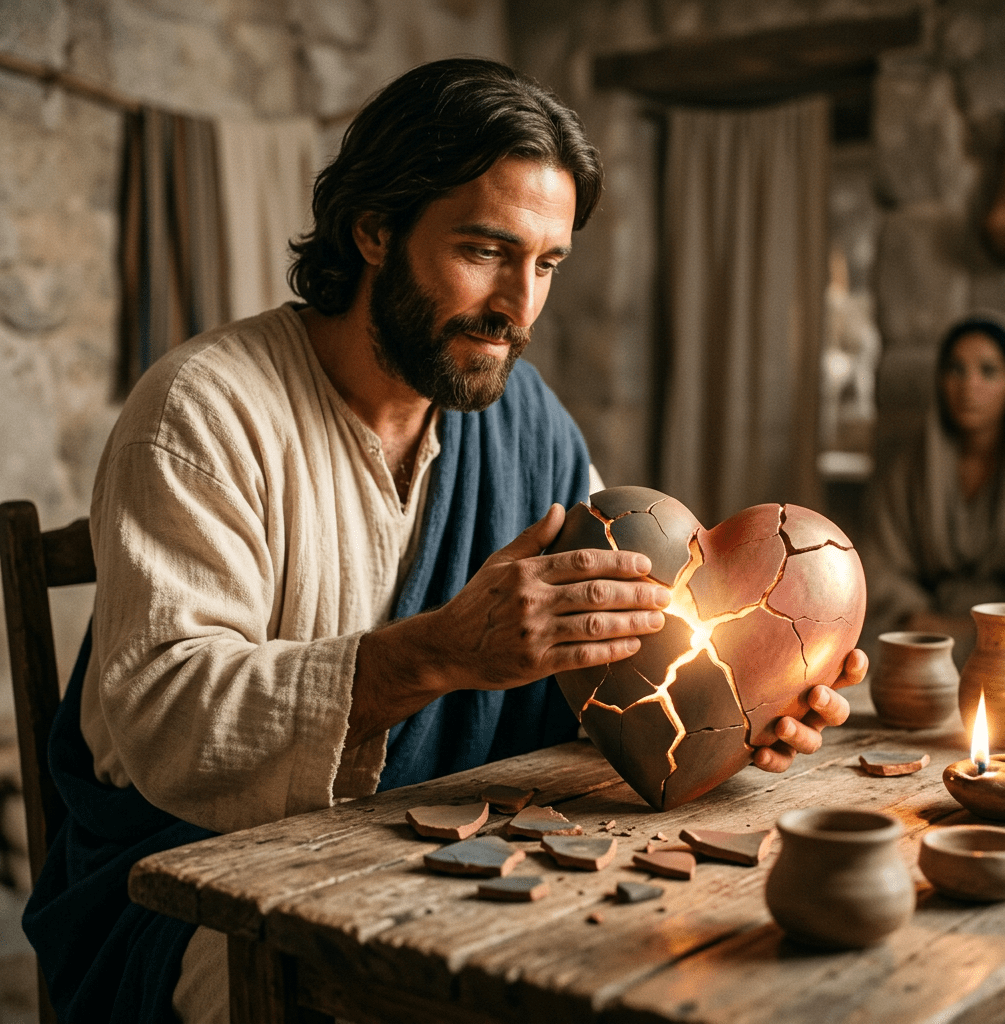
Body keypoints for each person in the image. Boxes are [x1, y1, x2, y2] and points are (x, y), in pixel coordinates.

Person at [24, 58, 864, 1023]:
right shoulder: (203, 414)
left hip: (435, 848)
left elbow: (618, 639)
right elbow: (166, 719)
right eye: (485, 251)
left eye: (546, 264)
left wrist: (742, 690)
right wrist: (439, 652)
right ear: (373, 228)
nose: (520, 306)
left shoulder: (529, 425)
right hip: (188, 882)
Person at [863, 311, 1005, 663]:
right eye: (956, 369)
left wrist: (990, 624)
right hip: (927, 629)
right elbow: (879, 566)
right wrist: (919, 616)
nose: (969, 385)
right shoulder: (907, 473)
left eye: (988, 370)